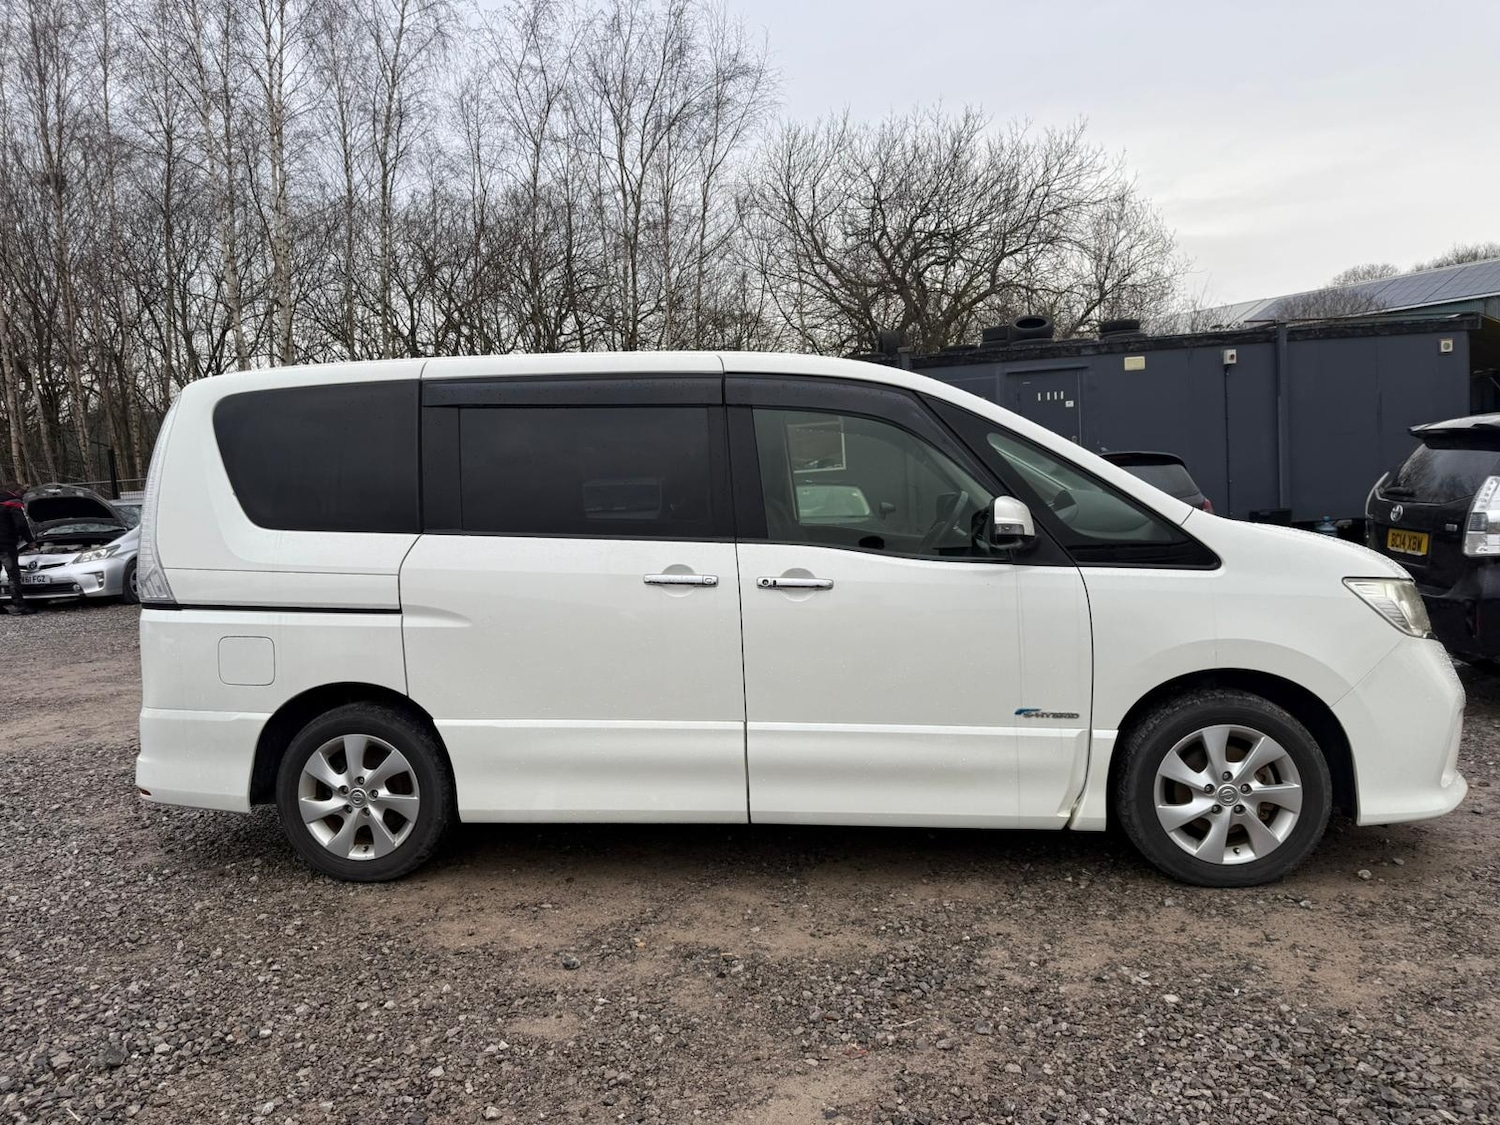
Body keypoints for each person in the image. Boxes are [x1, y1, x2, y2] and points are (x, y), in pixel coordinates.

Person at [0, 482, 35, 615]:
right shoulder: (14, 504)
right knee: (13, 575)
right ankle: (19, 605)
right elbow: (21, 524)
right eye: (22, 493)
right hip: (6, 544)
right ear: (16, 492)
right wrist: (30, 541)